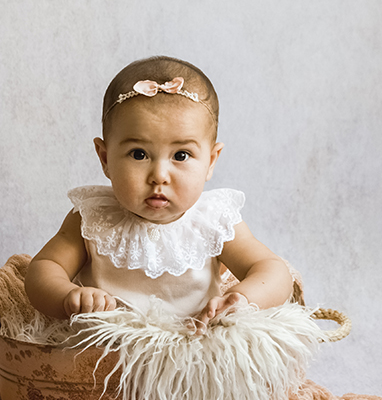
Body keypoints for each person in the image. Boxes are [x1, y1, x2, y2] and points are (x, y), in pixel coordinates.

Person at [25, 56, 294, 330]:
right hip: (108, 347)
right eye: (139, 154)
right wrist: (68, 296)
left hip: (193, 344)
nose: (159, 176)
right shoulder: (92, 218)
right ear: (105, 158)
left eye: (181, 155)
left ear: (211, 161)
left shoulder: (215, 220)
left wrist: (242, 298)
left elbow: (272, 269)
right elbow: (44, 269)